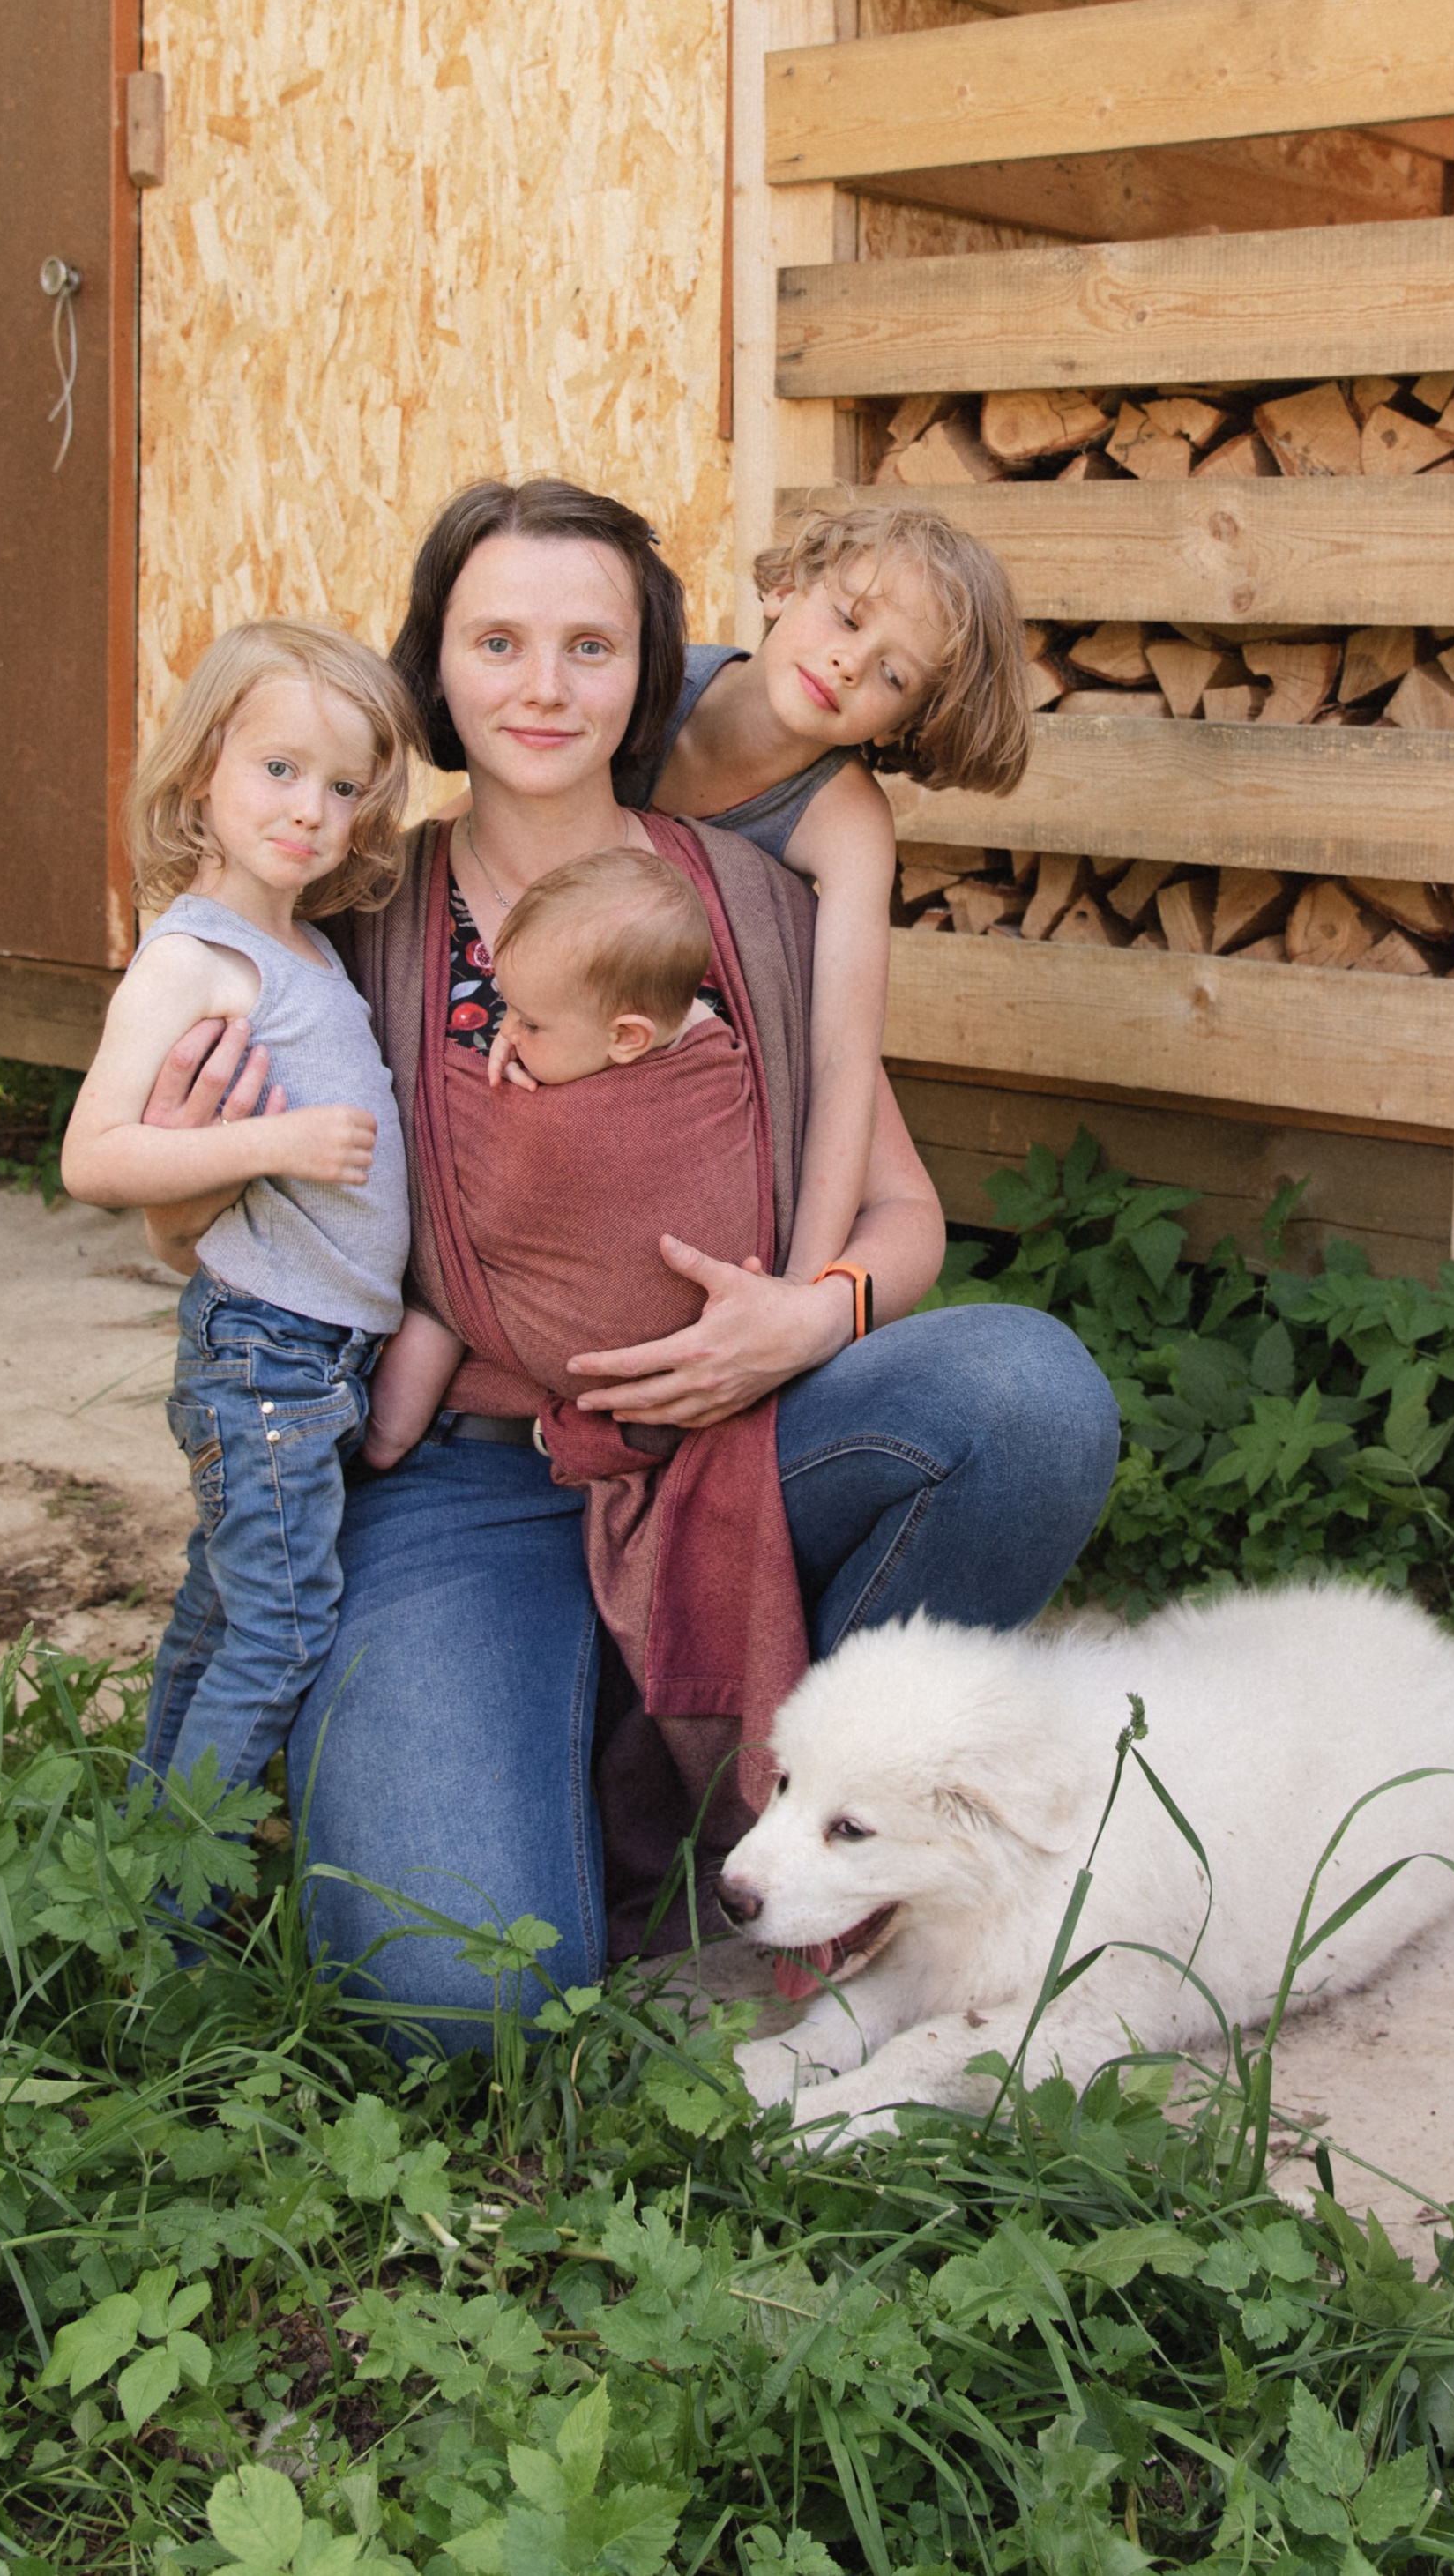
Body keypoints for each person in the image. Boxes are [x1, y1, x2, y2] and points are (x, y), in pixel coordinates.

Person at [135, 478, 1118, 2048]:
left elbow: (905, 1218)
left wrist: (804, 1321)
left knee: (1029, 1394)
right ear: (435, 671)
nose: (542, 685)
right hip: (462, 1469)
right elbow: (215, 1223)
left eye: (589, 645)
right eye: (497, 642)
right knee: (463, 1992)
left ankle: (770, 1799)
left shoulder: (746, 898)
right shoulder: (358, 913)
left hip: (734, 1438)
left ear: (649, 670)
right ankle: (581, 1739)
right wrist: (187, 1194)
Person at [59, 620, 421, 1805]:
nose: (311, 808)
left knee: (221, 1619)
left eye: (343, 785)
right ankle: (178, 1919)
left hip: (317, 1353)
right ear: (205, 762)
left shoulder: (307, 941)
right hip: (263, 1350)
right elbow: (95, 1155)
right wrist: (276, 1143)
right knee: (284, 1634)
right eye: (278, 768)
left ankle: (142, 1858)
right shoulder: (194, 956)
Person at [615, 499, 1030, 1284]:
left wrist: (798, 1293)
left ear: (909, 721)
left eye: (894, 674)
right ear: (783, 587)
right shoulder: (649, 681)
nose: (850, 663)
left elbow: (841, 1059)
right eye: (846, 617)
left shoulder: (848, 821)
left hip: (700, 1054)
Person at [360, 845, 736, 1471]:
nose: (507, 1030)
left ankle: (382, 1443)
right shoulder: (703, 1034)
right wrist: (538, 1033)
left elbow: (471, 1214)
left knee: (446, 1280)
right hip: (669, 1417)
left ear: (627, 1038)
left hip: (653, 1385)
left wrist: (505, 1109)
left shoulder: (686, 1088)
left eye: (529, 1023)